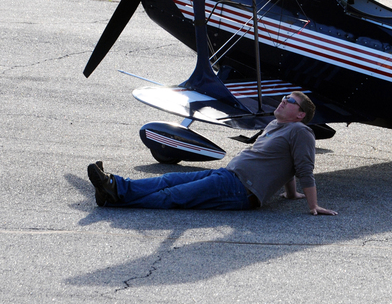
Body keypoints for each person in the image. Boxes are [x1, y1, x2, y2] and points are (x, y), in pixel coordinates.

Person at [87, 91, 337, 215]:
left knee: (175, 195)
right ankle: (114, 185)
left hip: (241, 189)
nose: (283, 100)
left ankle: (113, 197)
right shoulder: (275, 125)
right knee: (169, 179)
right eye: (284, 97)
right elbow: (284, 163)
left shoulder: (301, 132)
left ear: (301, 114)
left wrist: (313, 205)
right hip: (228, 177)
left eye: (290, 101)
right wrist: (290, 194)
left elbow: (303, 167)